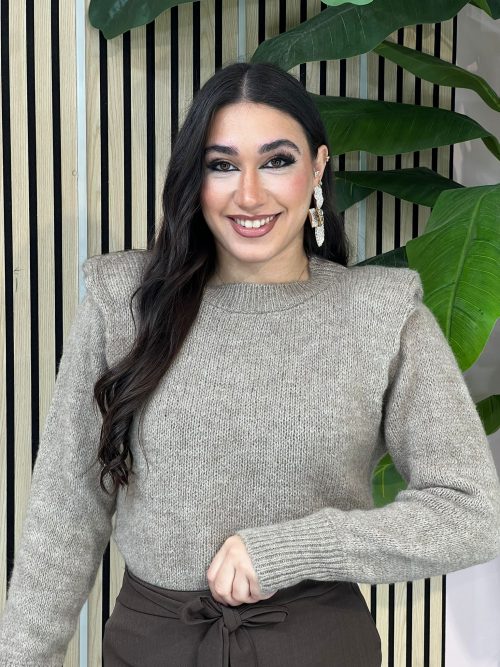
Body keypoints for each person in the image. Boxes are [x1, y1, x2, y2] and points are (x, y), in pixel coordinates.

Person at [1, 61, 500, 667]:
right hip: (152, 648)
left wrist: (293, 548)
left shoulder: (381, 314)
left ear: (317, 167)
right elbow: (66, 511)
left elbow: (472, 513)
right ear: (195, 178)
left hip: (319, 649)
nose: (249, 194)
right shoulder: (124, 303)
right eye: (222, 165)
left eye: (277, 161)